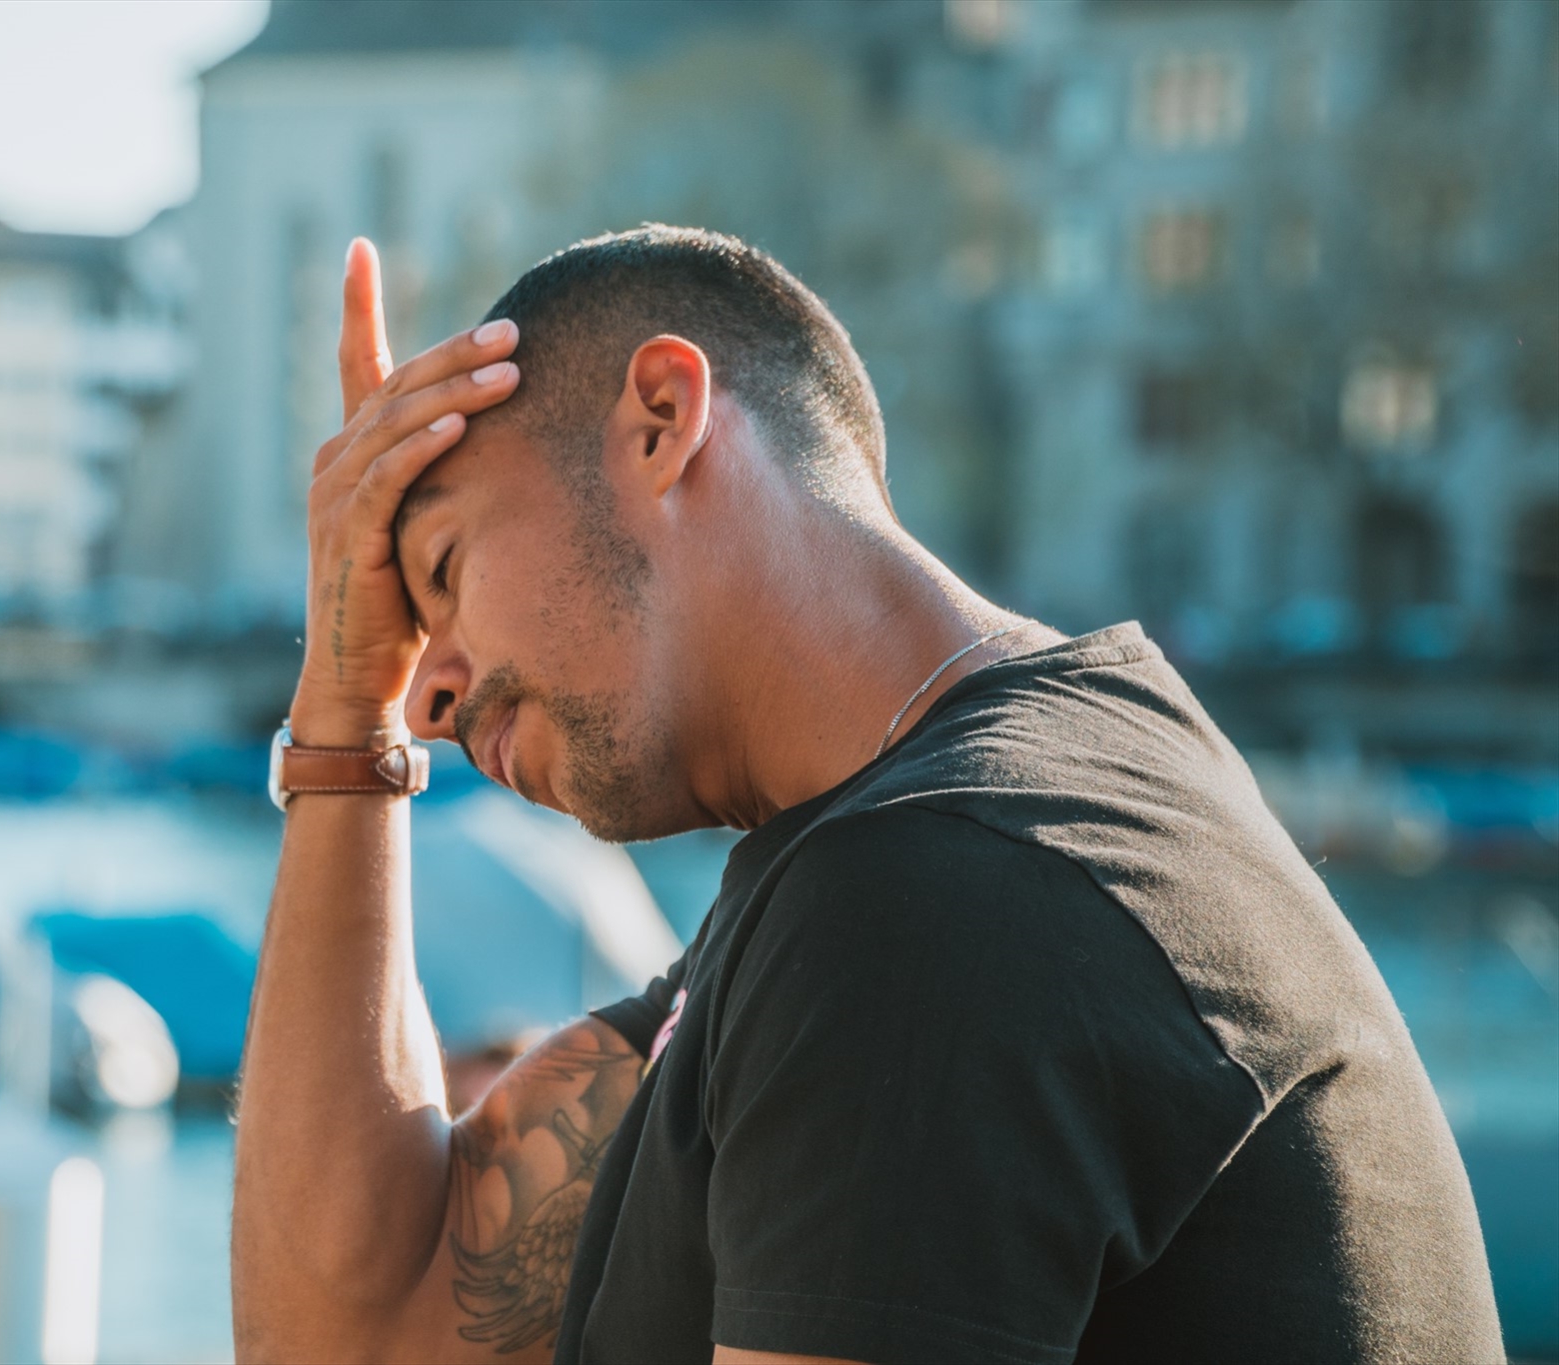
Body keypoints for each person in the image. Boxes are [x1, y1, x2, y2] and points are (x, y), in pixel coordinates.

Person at [230, 226, 1503, 1364]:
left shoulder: (944, 894)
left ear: (661, 418)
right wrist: (342, 710)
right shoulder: (953, 840)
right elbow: (362, 1330)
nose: (425, 694)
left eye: (443, 571)